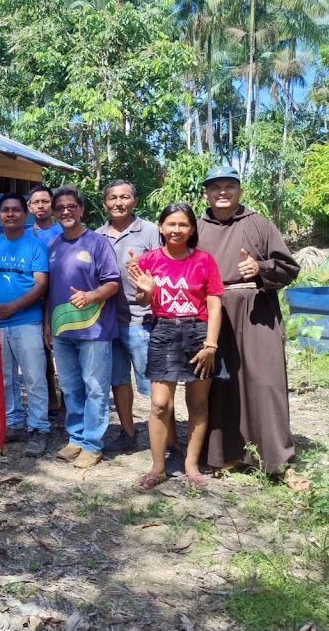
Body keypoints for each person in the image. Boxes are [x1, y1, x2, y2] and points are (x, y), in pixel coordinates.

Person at [197, 167, 305, 488]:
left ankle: (278, 461)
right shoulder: (197, 227)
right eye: (215, 187)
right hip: (214, 312)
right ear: (206, 193)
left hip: (257, 309)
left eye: (230, 186)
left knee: (265, 382)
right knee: (221, 383)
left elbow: (288, 267)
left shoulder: (259, 223)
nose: (223, 193)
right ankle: (226, 454)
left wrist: (260, 267)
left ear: (240, 191)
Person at [130, 204, 225, 491]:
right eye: (170, 224)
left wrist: (211, 345)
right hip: (164, 331)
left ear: (192, 229)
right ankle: (158, 467)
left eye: (183, 224)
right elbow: (142, 301)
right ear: (160, 227)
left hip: (198, 333)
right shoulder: (149, 260)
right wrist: (146, 290)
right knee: (160, 404)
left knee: (197, 403)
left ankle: (191, 465)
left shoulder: (205, 260)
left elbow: (214, 303)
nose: (176, 230)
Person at [45, 187, 120, 470]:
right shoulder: (52, 245)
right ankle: (75, 437)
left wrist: (90, 296)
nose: (66, 211)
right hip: (61, 330)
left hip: (94, 330)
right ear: (55, 213)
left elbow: (113, 283)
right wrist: (46, 325)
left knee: (96, 388)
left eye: (71, 206)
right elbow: (47, 290)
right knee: (70, 387)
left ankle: (92, 443)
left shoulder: (98, 243)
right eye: (60, 207)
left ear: (81, 210)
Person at [0, 193, 50, 457]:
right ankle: (14, 423)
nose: (10, 214)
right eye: (5, 210)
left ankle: (39, 428)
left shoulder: (35, 246)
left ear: (24, 215)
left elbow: (41, 286)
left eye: (16, 210)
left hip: (27, 322)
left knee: (35, 378)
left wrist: (12, 308)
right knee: (5, 379)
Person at [95, 180, 160, 454]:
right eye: (112, 198)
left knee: (156, 384)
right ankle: (128, 433)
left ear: (134, 201)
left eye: (124, 197)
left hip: (142, 319)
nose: (118, 203)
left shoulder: (150, 231)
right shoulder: (97, 236)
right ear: (104, 204)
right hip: (108, 322)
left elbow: (165, 268)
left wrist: (143, 270)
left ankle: (169, 440)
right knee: (118, 380)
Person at [29, 184, 64, 427]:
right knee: (42, 357)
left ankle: (67, 405)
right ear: (29, 206)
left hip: (61, 300)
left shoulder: (63, 231)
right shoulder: (24, 234)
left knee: (64, 357)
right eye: (35, 202)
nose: (40, 206)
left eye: (45, 201)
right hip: (32, 302)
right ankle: (50, 400)